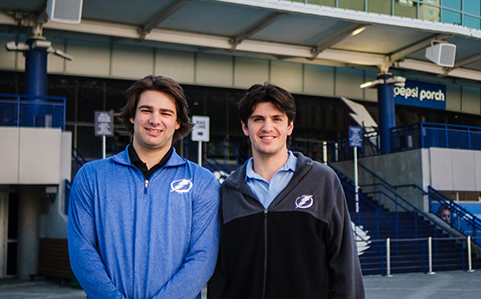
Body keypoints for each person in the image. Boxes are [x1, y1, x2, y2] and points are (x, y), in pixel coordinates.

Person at [68, 75, 220, 299]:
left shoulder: (202, 182)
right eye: (146, 110)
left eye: (166, 113)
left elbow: (203, 258)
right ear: (132, 116)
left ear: (178, 122)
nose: (155, 120)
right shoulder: (91, 177)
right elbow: (82, 252)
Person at [208, 83, 365, 299]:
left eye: (276, 119)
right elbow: (221, 272)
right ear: (245, 127)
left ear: (289, 126)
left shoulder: (322, 180)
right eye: (258, 119)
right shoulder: (228, 191)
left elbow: (345, 261)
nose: (267, 127)